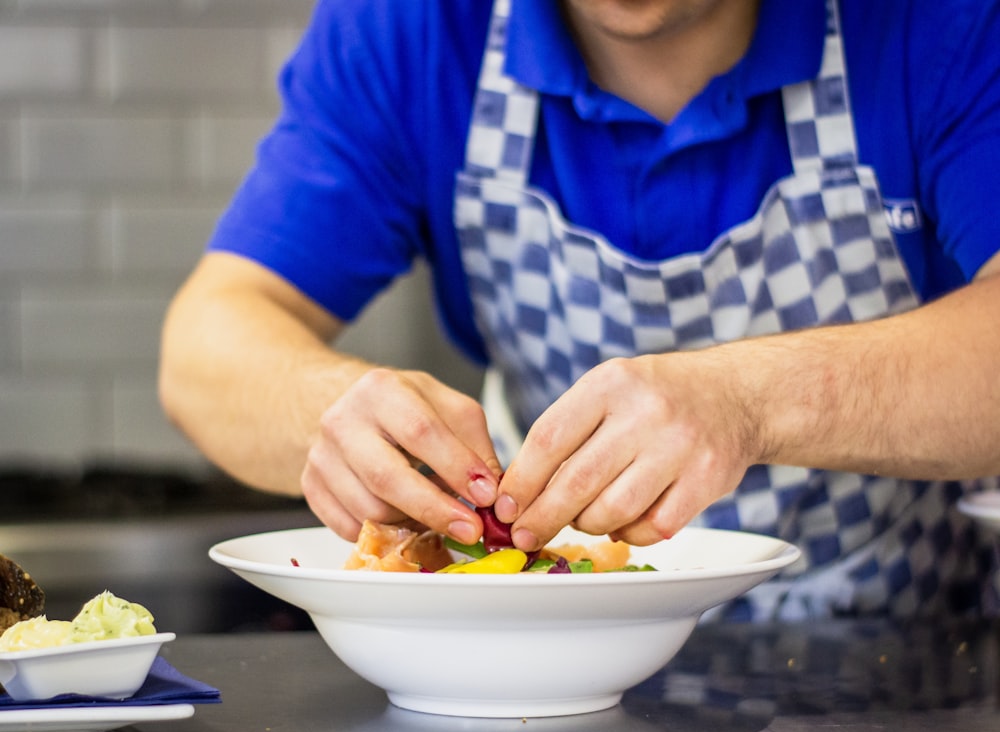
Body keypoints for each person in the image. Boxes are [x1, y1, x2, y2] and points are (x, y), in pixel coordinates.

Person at [159, 0, 1000, 620]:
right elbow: (208, 343)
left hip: (924, 655)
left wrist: (749, 401)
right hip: (549, 677)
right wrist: (329, 415)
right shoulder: (410, 31)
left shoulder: (942, 24)